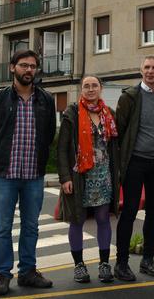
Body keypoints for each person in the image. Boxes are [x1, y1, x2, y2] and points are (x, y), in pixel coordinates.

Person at [0, 50, 57, 296]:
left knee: (31, 226)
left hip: (33, 174)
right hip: (5, 175)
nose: (29, 70)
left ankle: (27, 272)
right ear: (12, 67)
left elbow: (48, 134)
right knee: (2, 227)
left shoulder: (46, 99)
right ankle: (2, 274)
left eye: (33, 66)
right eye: (24, 65)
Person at [114, 55, 154, 281]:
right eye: (147, 67)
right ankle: (121, 264)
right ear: (141, 71)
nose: (151, 71)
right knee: (129, 211)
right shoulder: (129, 97)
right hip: (135, 163)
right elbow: (120, 133)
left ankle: (147, 260)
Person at [57, 75, 120, 284]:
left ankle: (104, 264)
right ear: (81, 89)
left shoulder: (108, 113)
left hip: (103, 175)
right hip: (79, 176)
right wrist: (65, 177)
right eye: (86, 86)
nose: (91, 89)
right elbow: (63, 148)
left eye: (94, 86)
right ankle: (79, 266)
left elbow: (114, 145)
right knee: (77, 220)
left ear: (101, 88)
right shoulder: (72, 113)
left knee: (103, 219)